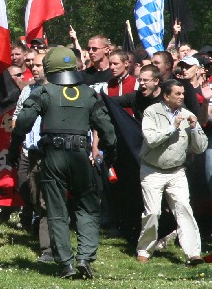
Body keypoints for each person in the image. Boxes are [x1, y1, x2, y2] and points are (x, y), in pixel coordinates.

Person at [11, 47, 117, 279]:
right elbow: (107, 129)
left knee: (56, 210)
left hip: (53, 157)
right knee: (87, 207)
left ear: (49, 68)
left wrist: (14, 146)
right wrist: (111, 153)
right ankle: (85, 257)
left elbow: (23, 123)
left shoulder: (44, 92)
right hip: (80, 155)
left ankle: (66, 263)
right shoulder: (89, 93)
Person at [136, 80, 208, 266]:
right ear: (166, 96)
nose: (182, 97)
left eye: (183, 93)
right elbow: (151, 139)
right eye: (177, 94)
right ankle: (144, 249)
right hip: (152, 170)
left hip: (176, 171)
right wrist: (172, 128)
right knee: (152, 212)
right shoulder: (152, 112)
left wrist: (195, 127)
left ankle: (193, 254)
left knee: (184, 209)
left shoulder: (188, 115)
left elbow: (200, 148)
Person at [11, 52, 52, 262]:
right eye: (33, 65)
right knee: (24, 188)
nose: (34, 69)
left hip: (48, 153)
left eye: (38, 66)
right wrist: (15, 141)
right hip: (28, 149)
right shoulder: (28, 89)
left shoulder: (56, 91)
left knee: (46, 201)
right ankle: (35, 216)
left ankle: (47, 248)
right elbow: (17, 115)